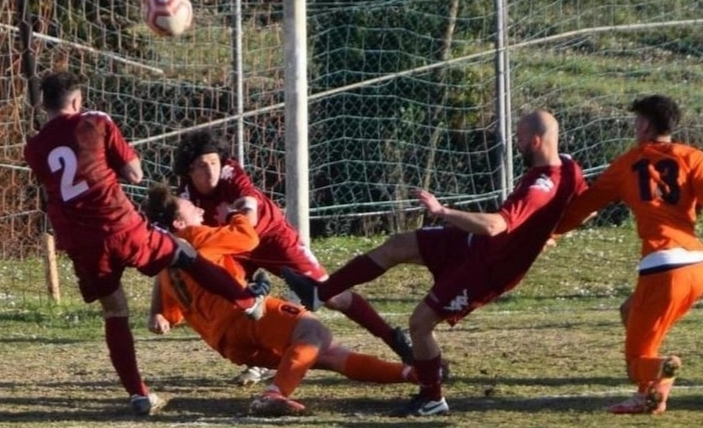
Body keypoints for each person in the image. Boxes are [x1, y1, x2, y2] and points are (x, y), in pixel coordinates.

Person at [284, 110, 586, 417]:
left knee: (421, 323)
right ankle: (319, 294)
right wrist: (549, 231)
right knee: (399, 244)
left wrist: (443, 211)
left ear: (535, 141)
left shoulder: (539, 188)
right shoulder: (570, 166)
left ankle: (431, 398)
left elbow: (495, 225)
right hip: (475, 244)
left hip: (490, 267)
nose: (516, 143)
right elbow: (587, 211)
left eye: (519, 137)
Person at [23, 71, 269, 416]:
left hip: (81, 240)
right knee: (184, 254)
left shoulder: (33, 147)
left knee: (115, 311)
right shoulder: (95, 122)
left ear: (42, 105)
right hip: (119, 224)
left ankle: (138, 394)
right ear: (77, 101)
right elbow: (134, 173)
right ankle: (247, 301)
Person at [143, 184, 421, 416]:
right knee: (315, 331)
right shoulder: (193, 235)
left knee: (327, 354)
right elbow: (247, 239)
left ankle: (412, 374)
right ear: (179, 223)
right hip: (244, 316)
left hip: (227, 344)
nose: (200, 208)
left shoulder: (168, 268)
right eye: (191, 207)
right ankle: (273, 395)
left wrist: (158, 315)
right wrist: (243, 211)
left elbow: (173, 315)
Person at [174, 131, 413, 386]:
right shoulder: (186, 199)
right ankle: (262, 361)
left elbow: (249, 215)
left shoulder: (231, 173)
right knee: (237, 302)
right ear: (188, 170)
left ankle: (395, 340)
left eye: (213, 162)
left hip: (272, 239)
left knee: (331, 294)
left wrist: (240, 227)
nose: (210, 170)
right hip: (234, 247)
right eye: (201, 165)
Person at [552, 95, 703, 415]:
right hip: (696, 265)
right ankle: (652, 396)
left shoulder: (627, 163)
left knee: (637, 358)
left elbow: (584, 206)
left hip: (663, 265)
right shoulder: (694, 157)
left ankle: (659, 371)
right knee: (629, 310)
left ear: (646, 125)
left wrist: (550, 232)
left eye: (637, 121)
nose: (634, 127)